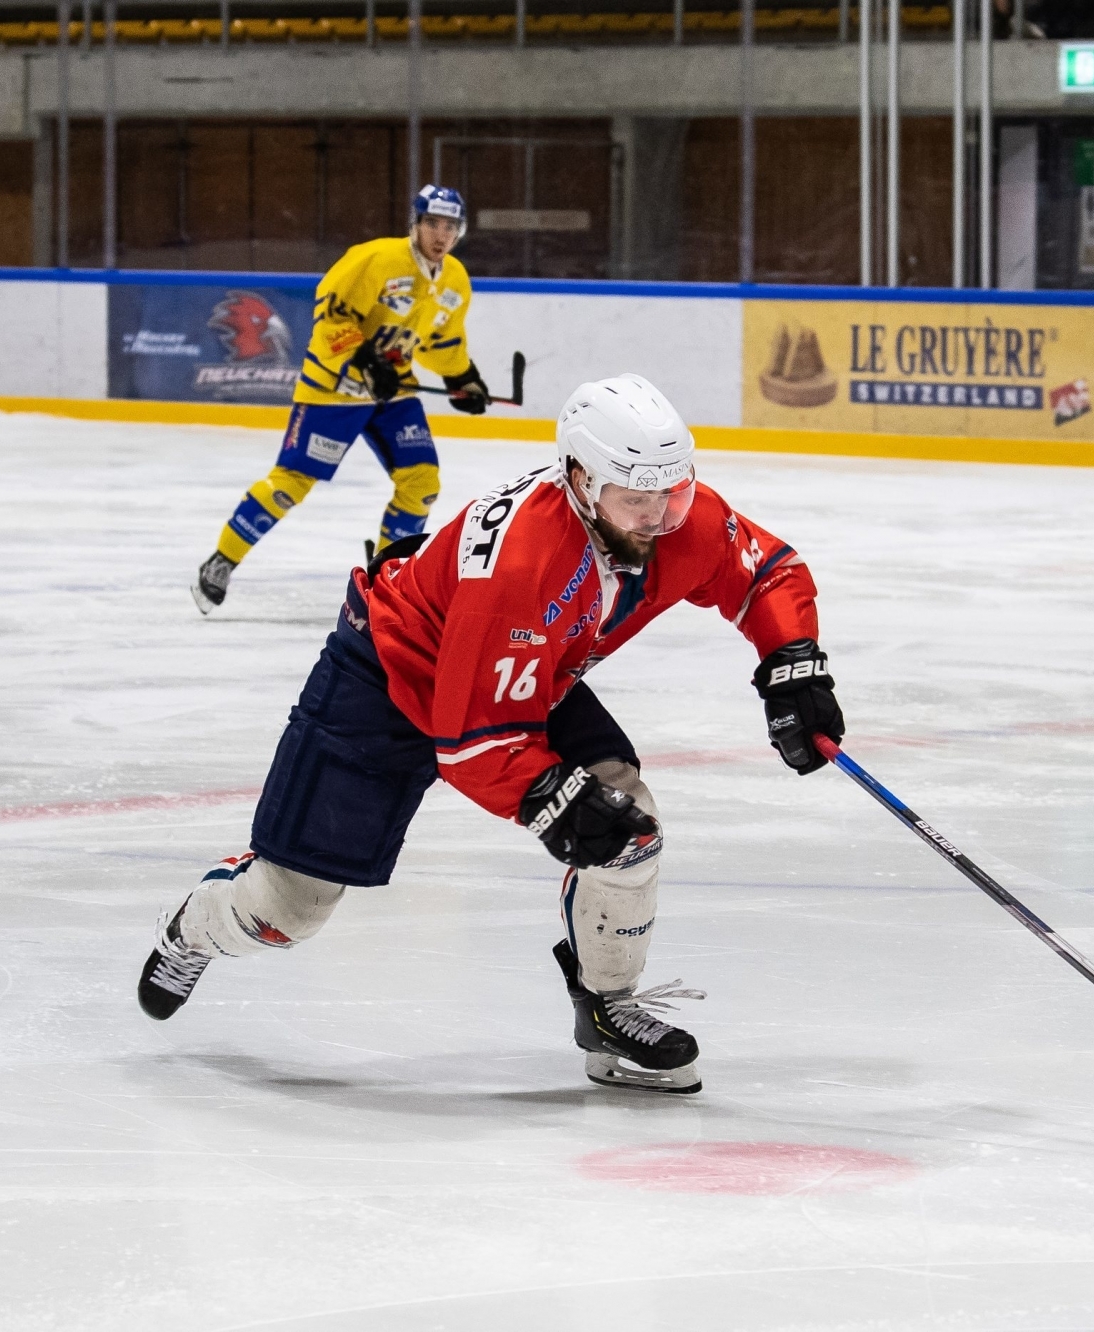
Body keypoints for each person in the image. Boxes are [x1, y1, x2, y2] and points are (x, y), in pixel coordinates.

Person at [143, 374, 846, 1095]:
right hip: (387, 677)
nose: (661, 516)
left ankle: (608, 1010)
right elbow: (473, 742)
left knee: (626, 824)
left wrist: (794, 665)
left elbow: (763, 571)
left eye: (672, 492)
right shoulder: (522, 563)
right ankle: (195, 925)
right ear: (580, 478)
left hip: (525, 672)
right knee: (286, 911)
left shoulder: (667, 514)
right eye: (637, 498)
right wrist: (552, 799)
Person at [192, 185, 496, 613]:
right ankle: (222, 559)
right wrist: (367, 360)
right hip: (335, 389)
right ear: (415, 224)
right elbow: (330, 312)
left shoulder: (454, 280)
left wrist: (463, 378)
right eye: (432, 223)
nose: (440, 235)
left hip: (393, 391)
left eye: (449, 226)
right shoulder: (376, 259)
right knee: (291, 485)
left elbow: (441, 340)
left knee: (422, 481)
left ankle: (388, 582)